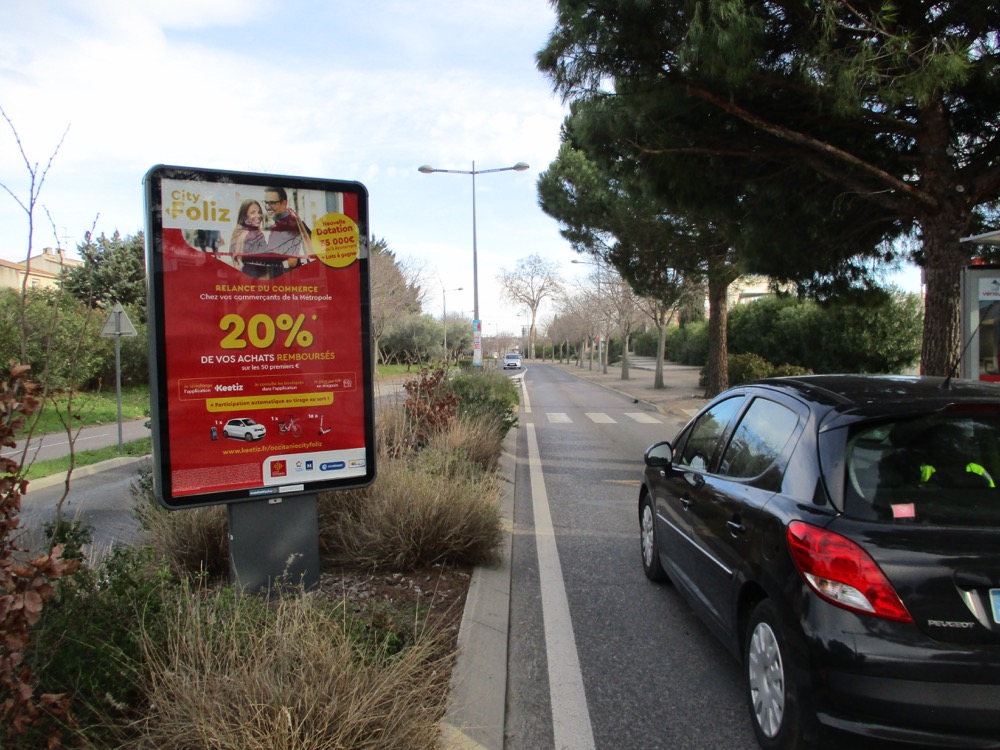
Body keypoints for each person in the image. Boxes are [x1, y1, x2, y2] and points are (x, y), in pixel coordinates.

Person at [263, 186, 311, 277]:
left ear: (284, 203)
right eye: (266, 202)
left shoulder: (291, 224)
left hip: (288, 280)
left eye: (272, 203)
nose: (267, 207)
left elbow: (293, 262)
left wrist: (278, 267)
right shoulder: (280, 223)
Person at [229, 199, 269, 278]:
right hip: (256, 277)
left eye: (259, 212)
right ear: (245, 215)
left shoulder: (237, 232)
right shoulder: (257, 235)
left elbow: (232, 253)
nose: (258, 216)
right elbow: (265, 257)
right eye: (252, 212)